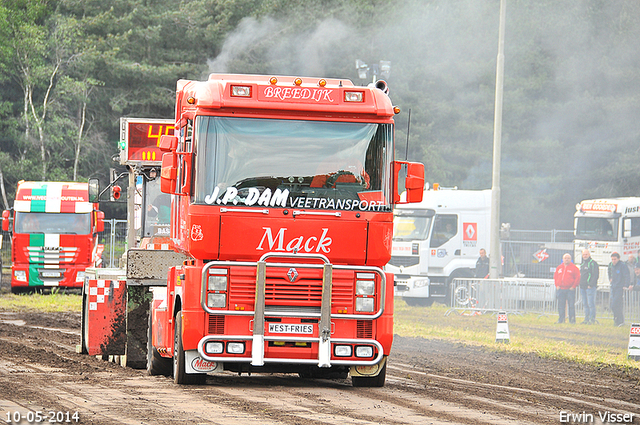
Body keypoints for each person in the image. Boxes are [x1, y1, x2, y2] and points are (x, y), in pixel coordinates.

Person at [554, 253, 580, 324]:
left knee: (571, 305)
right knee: (561, 305)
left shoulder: (574, 268)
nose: (566, 259)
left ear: (570, 259)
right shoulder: (559, 267)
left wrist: (573, 286)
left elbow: (577, 277)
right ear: (563, 259)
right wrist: (556, 285)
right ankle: (561, 320)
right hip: (561, 289)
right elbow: (555, 277)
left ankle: (572, 320)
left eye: (568, 258)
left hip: (570, 290)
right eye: (565, 258)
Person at [608, 252, 629, 326]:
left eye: (615, 259)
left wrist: (625, 285)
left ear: (618, 259)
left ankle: (619, 320)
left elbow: (626, 275)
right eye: (612, 259)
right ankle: (618, 320)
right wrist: (610, 279)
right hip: (613, 287)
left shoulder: (622, 266)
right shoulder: (611, 265)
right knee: (616, 305)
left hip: (619, 288)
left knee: (615, 304)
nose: (613, 261)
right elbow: (609, 272)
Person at [579, 249, 599, 324]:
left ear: (589, 255)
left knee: (591, 304)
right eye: (583, 254)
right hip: (582, 287)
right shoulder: (582, 264)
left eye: (586, 254)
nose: (585, 256)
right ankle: (586, 319)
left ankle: (591, 319)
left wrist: (591, 284)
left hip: (590, 288)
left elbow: (595, 275)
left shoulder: (593, 263)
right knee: (585, 304)